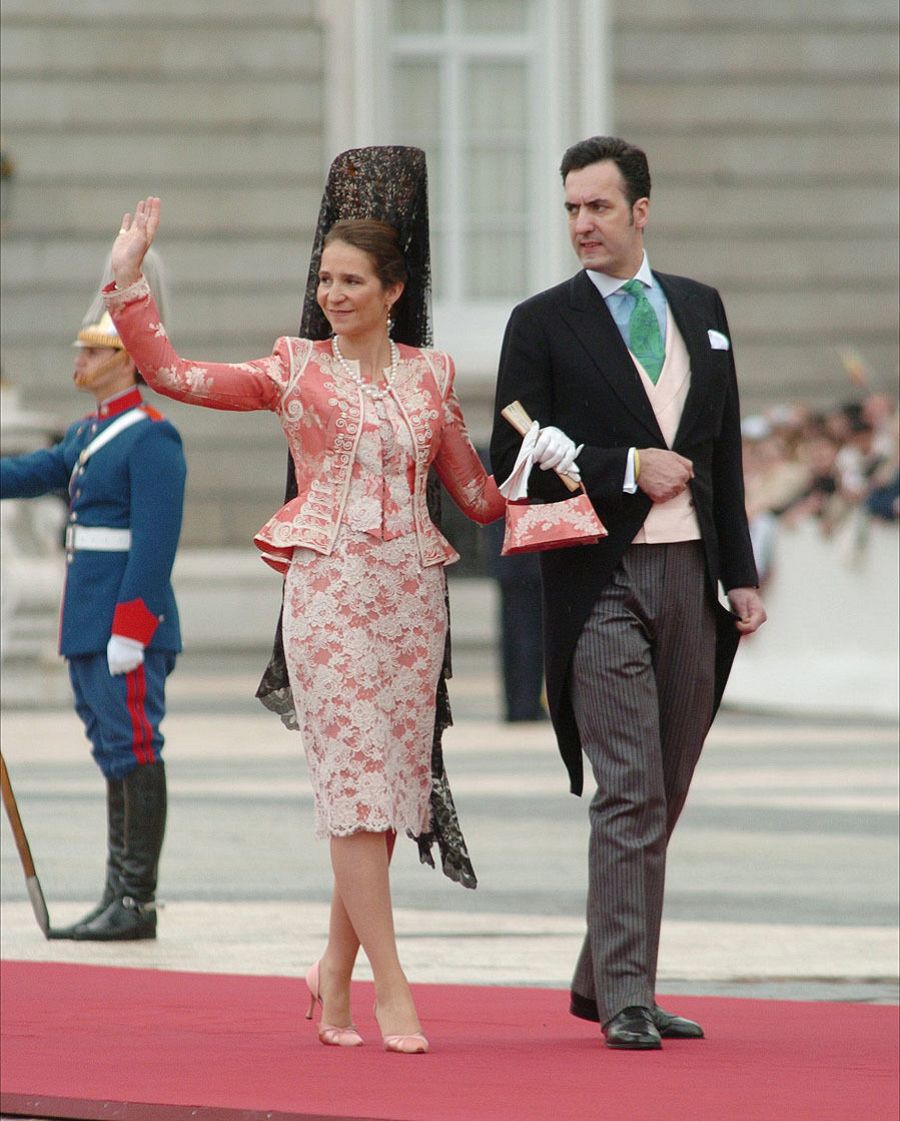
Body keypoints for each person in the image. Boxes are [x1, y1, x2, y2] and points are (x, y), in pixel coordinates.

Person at [102, 189, 505, 1054]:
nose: (335, 293)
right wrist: (127, 284)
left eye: (353, 279)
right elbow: (175, 374)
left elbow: (476, 495)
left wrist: (557, 469)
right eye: (326, 278)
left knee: (390, 796)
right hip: (326, 593)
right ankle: (391, 986)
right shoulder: (294, 367)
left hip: (412, 602)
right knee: (355, 784)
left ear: (394, 289)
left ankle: (332, 970)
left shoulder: (433, 376)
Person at [490, 136, 766, 1050]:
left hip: (692, 575)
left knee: (667, 785)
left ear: (640, 210)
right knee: (632, 788)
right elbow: (511, 466)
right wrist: (620, 467)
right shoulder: (541, 321)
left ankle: (600, 968)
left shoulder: (701, 307)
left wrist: (741, 574)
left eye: (598, 207)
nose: (582, 224)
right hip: (596, 578)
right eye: (570, 208)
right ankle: (626, 997)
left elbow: (720, 449)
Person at [0, 250, 185, 942]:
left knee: (134, 745)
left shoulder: (152, 438)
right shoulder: (85, 433)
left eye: (92, 347)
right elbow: (25, 471)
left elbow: (155, 544)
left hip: (124, 623)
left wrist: (133, 626)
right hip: (87, 617)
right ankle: (119, 891)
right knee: (113, 748)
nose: (77, 358)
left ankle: (135, 898)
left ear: (126, 356)